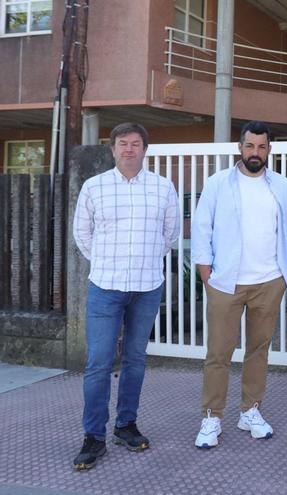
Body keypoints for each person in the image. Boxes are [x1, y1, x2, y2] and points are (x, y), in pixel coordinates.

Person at [71, 122, 180, 470]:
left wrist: (142, 262)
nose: (129, 149)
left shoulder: (163, 188)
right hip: (105, 287)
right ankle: (93, 437)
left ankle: (126, 425)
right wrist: (109, 263)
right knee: (98, 363)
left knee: (135, 358)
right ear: (113, 149)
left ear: (145, 149)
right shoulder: (94, 187)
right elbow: (82, 235)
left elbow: (170, 234)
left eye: (135, 143)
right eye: (123, 143)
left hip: (147, 287)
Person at [191, 121, 287, 449]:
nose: (255, 152)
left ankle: (250, 411)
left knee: (258, 350)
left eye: (261, 147)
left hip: (268, 283)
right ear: (239, 148)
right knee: (219, 352)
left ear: (269, 150)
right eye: (250, 146)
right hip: (225, 283)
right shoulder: (217, 184)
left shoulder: (282, 186)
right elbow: (202, 229)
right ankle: (212, 417)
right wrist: (206, 275)